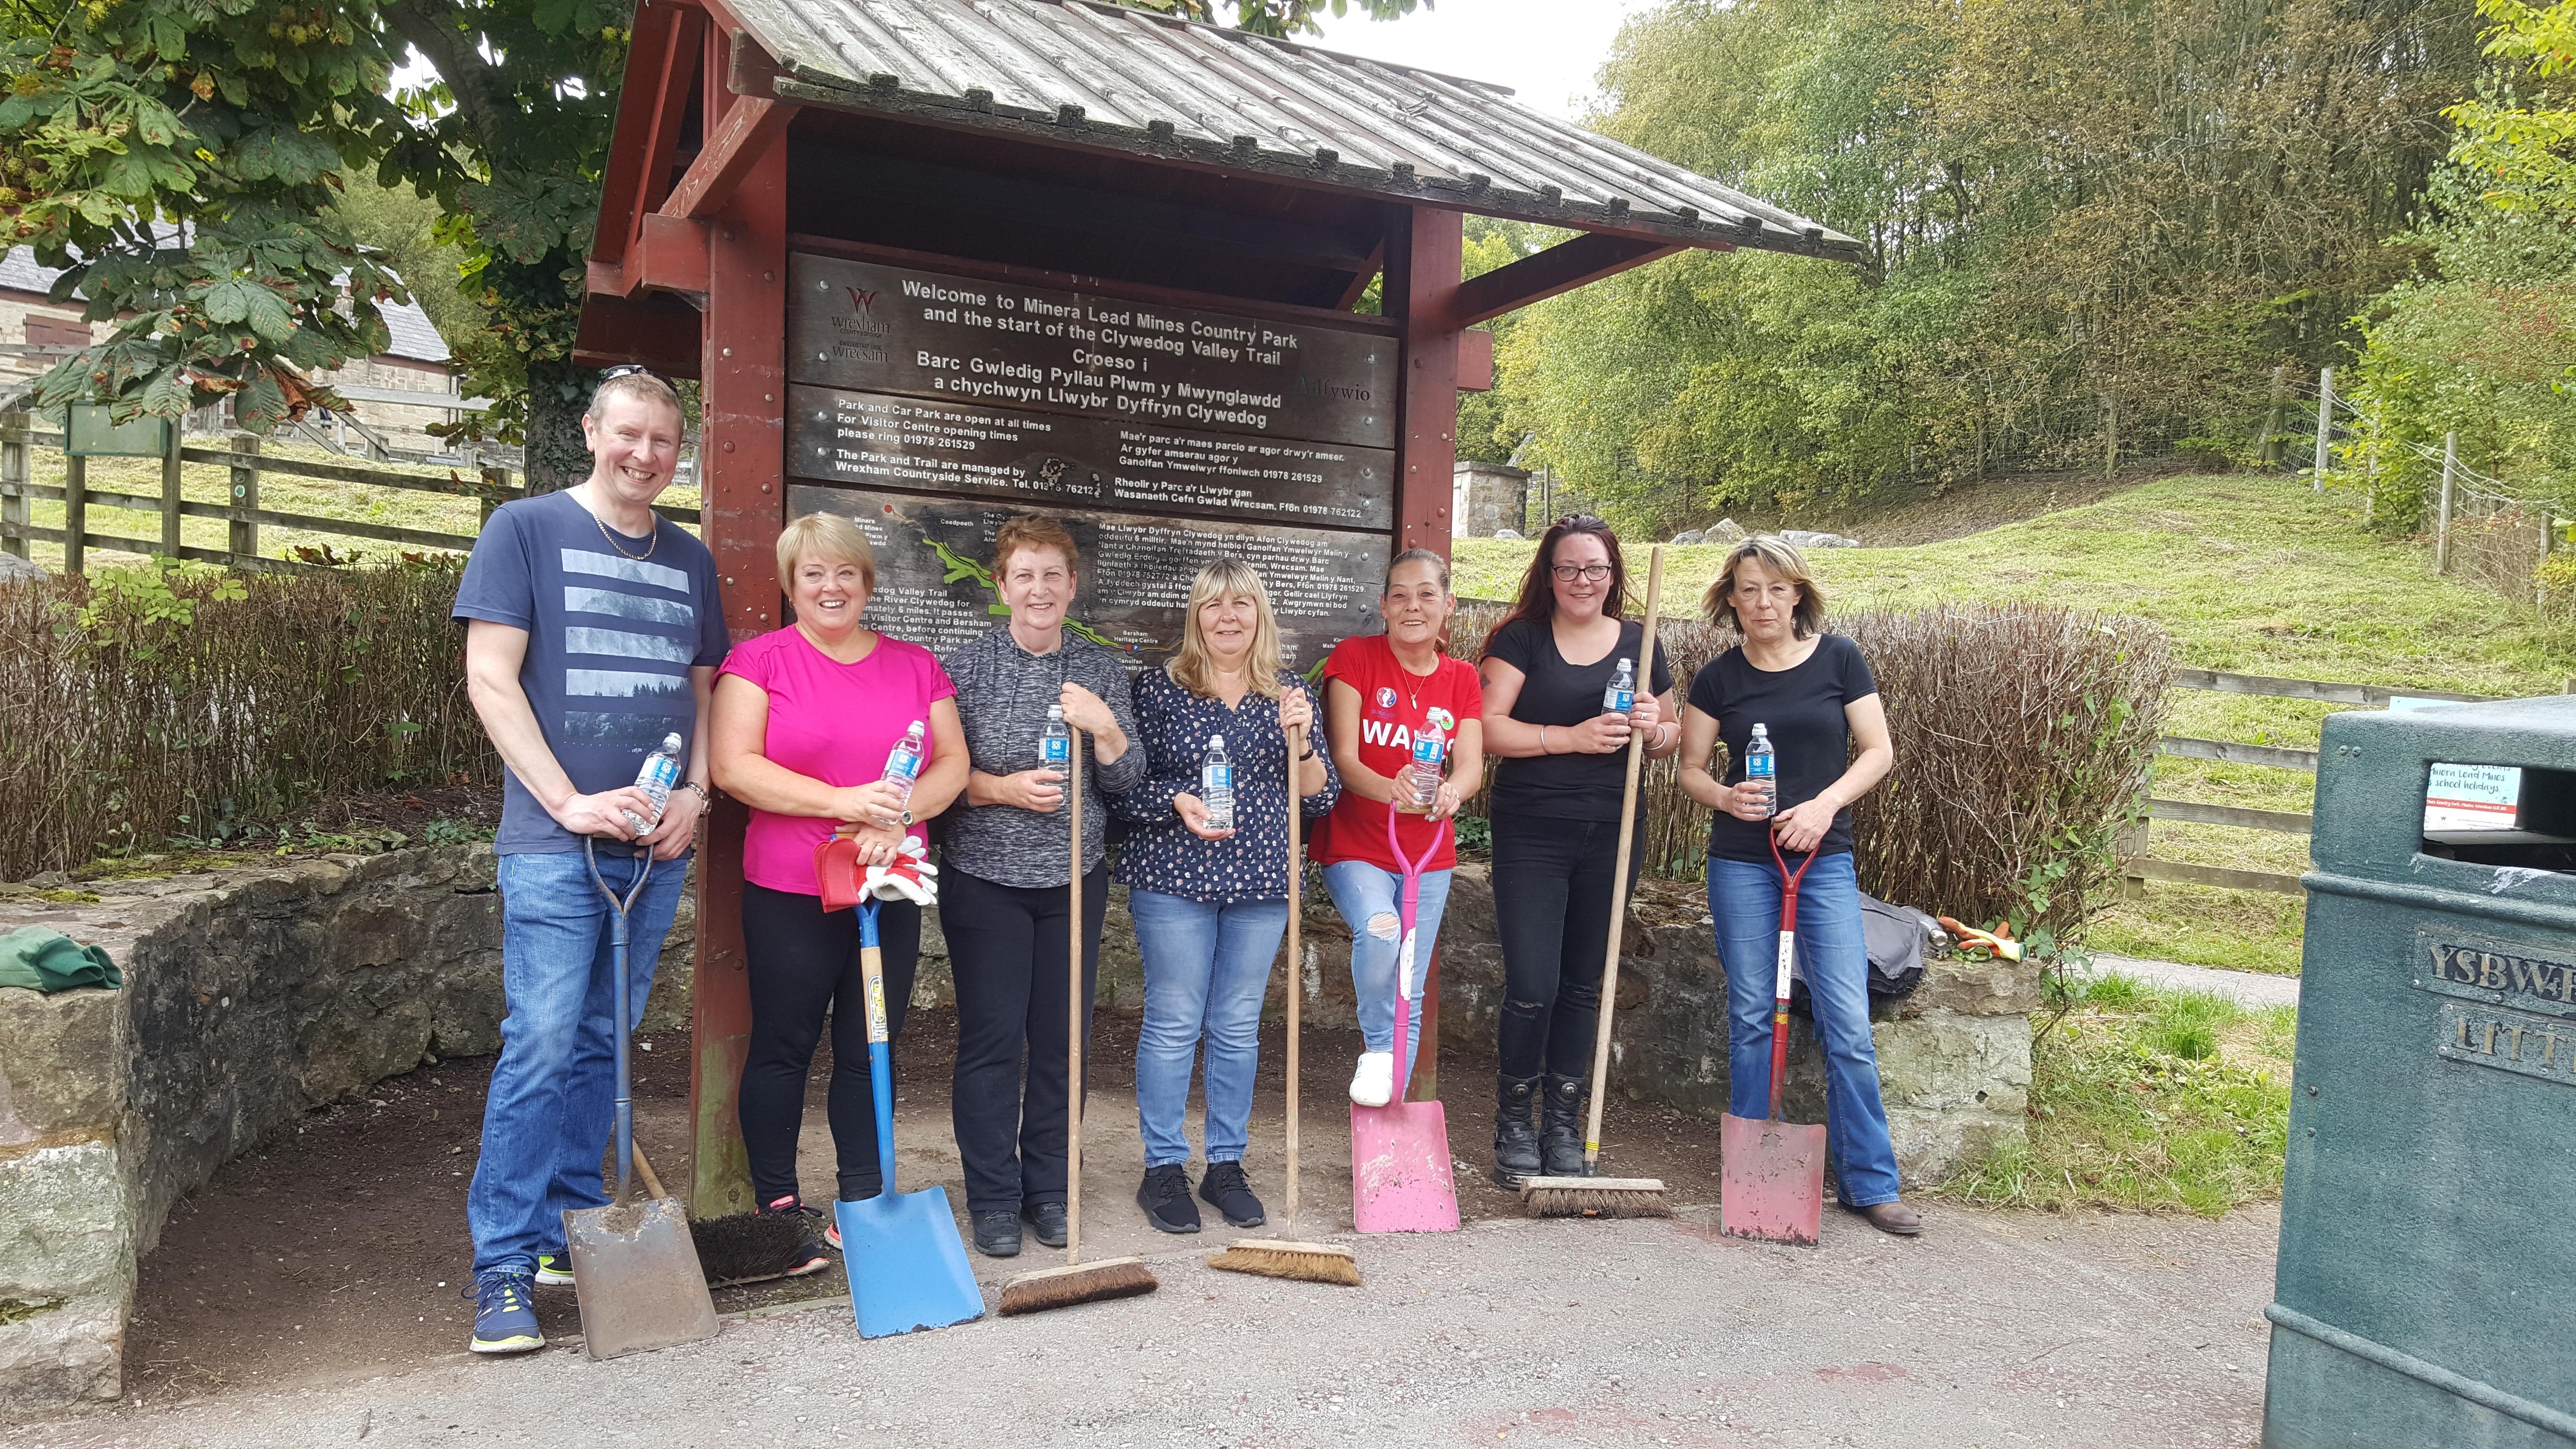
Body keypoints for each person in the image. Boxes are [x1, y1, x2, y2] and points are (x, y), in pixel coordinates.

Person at [451, 367, 726, 1355]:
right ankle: (504, 1268)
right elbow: (490, 678)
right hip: (555, 847)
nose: (645, 455)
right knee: (542, 1044)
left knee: (607, 1042)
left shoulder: (689, 561)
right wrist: (566, 802)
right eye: (629, 434)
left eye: (663, 440)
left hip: (653, 849)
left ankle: (578, 1226)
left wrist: (695, 796)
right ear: (591, 431)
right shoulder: (523, 530)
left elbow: (701, 695)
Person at [708, 513, 968, 1268]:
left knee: (872, 1045)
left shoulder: (916, 666)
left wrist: (902, 814)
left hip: (887, 887)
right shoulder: (758, 662)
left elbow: (951, 760)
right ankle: (778, 1206)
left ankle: (861, 1202)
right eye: (814, 574)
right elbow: (734, 766)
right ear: (792, 585)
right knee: (785, 1046)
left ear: (866, 583)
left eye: (846, 573)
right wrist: (847, 804)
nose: (831, 587)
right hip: (793, 886)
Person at [1676, 534, 1913, 1234]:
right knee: (1753, 1013)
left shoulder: (1840, 659)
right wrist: (1725, 799)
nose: (1762, 603)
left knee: (1847, 1021)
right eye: (1748, 590)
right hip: (1744, 865)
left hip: (1823, 861)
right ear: (1731, 600)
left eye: (1776, 589)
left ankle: (1870, 1182)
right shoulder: (1718, 678)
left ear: (1798, 595)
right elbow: (1690, 768)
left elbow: (1879, 751)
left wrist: (1823, 806)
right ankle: (1754, 1169)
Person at [1112, 558, 1338, 1234]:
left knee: (1238, 1026)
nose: (1228, 617)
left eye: (1242, 604)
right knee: (1176, 1021)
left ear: (1260, 614)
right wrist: (1176, 800)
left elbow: (1320, 796)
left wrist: (1299, 741)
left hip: (1262, 882)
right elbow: (1122, 789)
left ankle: (1226, 1165)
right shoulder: (1159, 690)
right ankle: (1162, 1168)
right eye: (1214, 605)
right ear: (1196, 617)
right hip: (1176, 878)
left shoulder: (1290, 692)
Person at [939, 515, 1143, 1257]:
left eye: (1052, 575)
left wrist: (1108, 730)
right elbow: (939, 780)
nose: (1039, 589)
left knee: (1063, 1043)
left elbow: (1126, 783)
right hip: (986, 880)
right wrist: (998, 790)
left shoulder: (1099, 670)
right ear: (1001, 586)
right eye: (1024, 575)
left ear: (1072, 586)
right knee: (992, 1044)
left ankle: (1052, 1191)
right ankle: (993, 1198)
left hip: (1073, 884)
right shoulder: (962, 668)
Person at [1475, 515, 1678, 1186]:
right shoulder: (1521, 639)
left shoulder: (1642, 644)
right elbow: (1488, 729)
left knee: (1585, 986)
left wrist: (1656, 730)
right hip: (1533, 829)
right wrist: (1570, 737)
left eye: (1596, 569)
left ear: (1614, 575)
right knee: (1534, 985)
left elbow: (1673, 735)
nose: (1582, 581)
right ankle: (1513, 1119)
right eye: (1568, 569)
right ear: (1548, 574)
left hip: (1615, 829)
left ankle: (1563, 1121)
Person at [1314, 547, 1484, 1109]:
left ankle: (1388, 1129)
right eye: (1400, 595)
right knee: (1383, 932)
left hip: (1427, 854)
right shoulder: (1355, 658)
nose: (1413, 605)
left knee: (1408, 987)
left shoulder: (1461, 679)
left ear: (1448, 605)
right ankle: (1377, 1050)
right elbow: (1344, 760)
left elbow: (1471, 763)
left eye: (1426, 594)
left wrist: (1455, 789)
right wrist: (1392, 787)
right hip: (1358, 846)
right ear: (1383, 606)